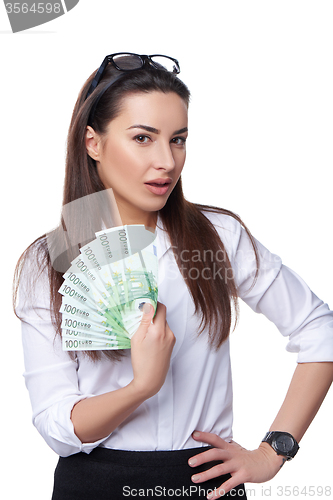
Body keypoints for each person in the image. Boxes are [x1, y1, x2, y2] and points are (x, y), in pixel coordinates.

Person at [14, 53, 333, 500]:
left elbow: (320, 328)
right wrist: (142, 386)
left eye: (178, 139)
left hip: (204, 484)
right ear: (93, 143)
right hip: (95, 485)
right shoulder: (49, 261)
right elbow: (56, 426)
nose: (166, 160)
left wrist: (273, 450)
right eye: (143, 138)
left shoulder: (219, 237)